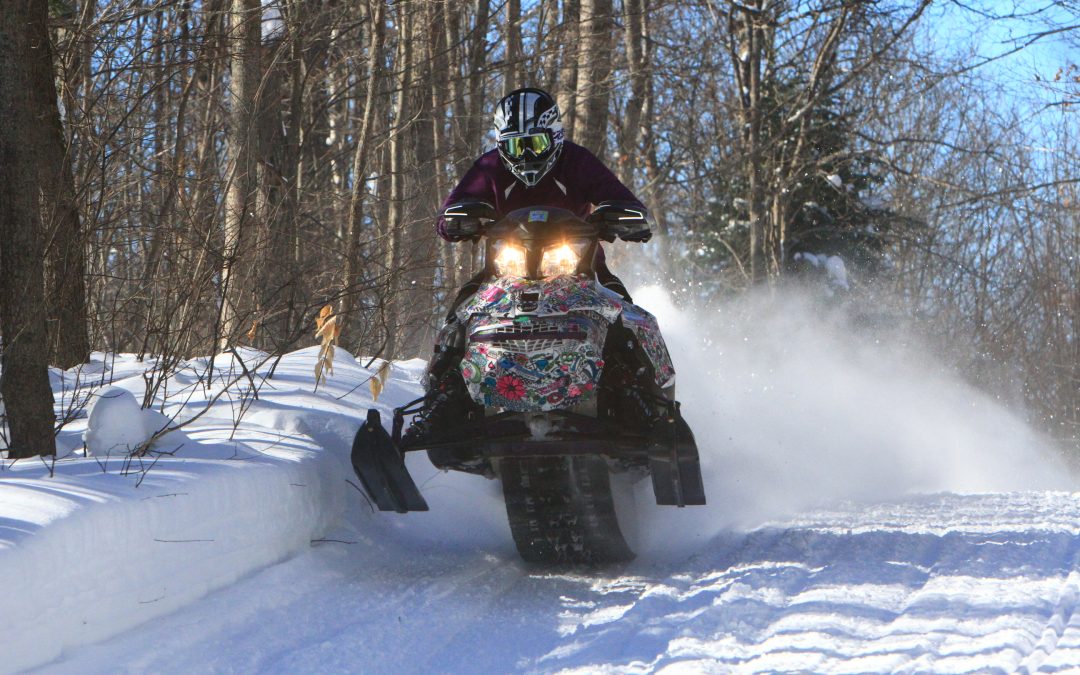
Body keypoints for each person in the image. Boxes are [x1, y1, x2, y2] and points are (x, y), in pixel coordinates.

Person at [406, 87, 653, 443]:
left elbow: (623, 199)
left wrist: (627, 218)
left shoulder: (577, 162)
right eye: (514, 146)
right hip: (505, 271)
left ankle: (639, 400)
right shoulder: (489, 167)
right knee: (461, 313)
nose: (524, 155)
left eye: (533, 144)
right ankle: (443, 401)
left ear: (554, 137)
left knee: (622, 313)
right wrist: (457, 220)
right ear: (500, 144)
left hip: (580, 267)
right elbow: (453, 208)